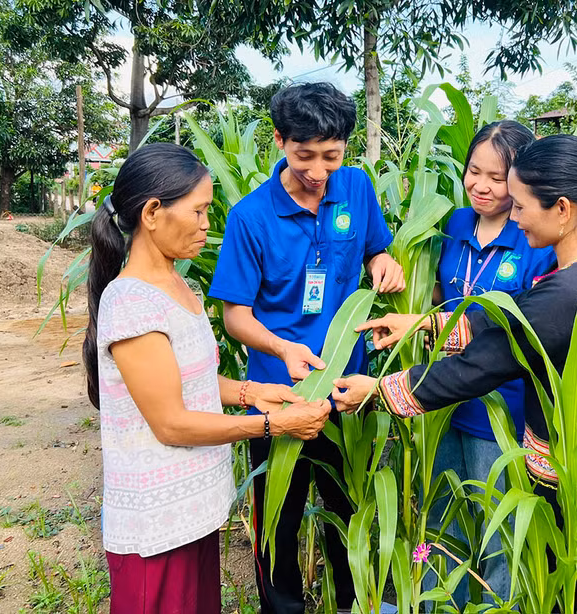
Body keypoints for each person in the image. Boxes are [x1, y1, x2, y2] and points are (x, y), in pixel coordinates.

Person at [332, 135, 577, 611]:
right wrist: (421, 322)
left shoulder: (567, 293)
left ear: (561, 209)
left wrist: (378, 390)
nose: (513, 217)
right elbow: (510, 315)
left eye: (519, 206)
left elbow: (482, 365)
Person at [83, 143, 332, 614]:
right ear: (153, 213)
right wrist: (271, 425)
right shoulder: (132, 303)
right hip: (156, 522)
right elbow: (172, 423)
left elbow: (188, 378)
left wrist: (251, 392)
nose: (205, 225)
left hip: (193, 508)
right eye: (198, 212)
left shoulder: (180, 285)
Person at [207, 82, 405, 614]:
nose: (319, 171)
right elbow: (235, 317)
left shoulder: (357, 188)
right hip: (276, 395)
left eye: (331, 156)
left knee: (347, 507)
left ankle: (349, 603)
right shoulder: (251, 217)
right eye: (304, 156)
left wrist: (382, 261)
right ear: (279, 141)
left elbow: (375, 249)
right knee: (279, 519)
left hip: (347, 392)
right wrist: (283, 346)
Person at [420, 120, 554, 604]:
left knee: (499, 525)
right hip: (443, 400)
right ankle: (439, 600)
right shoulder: (454, 224)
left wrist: (426, 324)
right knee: (439, 518)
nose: (481, 185)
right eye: (474, 172)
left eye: (497, 178)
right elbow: (437, 292)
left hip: (501, 410)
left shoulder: (533, 237)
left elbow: (524, 327)